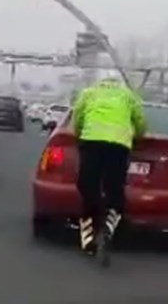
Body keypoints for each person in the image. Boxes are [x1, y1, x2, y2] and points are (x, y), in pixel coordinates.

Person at [71, 72, 147, 258]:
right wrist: (136, 136)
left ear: (101, 83)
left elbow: (77, 117)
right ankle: (110, 221)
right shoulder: (128, 95)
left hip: (91, 142)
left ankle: (89, 231)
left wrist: (78, 133)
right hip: (119, 145)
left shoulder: (89, 93)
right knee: (114, 186)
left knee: (87, 185)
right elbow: (140, 122)